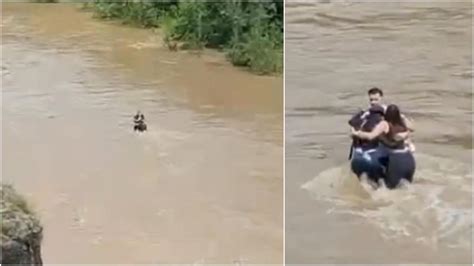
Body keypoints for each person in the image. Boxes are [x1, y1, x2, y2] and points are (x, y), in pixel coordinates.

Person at [351, 104, 416, 189]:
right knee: (407, 187)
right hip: (409, 159)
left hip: (397, 159)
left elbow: (370, 136)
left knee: (391, 189)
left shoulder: (385, 124)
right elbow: (412, 128)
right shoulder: (402, 122)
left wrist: (356, 133)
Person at [348, 104, 386, 185]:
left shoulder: (360, 119)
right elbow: (371, 136)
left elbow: (351, 126)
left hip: (358, 154)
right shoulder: (380, 122)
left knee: (361, 180)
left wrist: (355, 133)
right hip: (372, 154)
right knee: (379, 180)